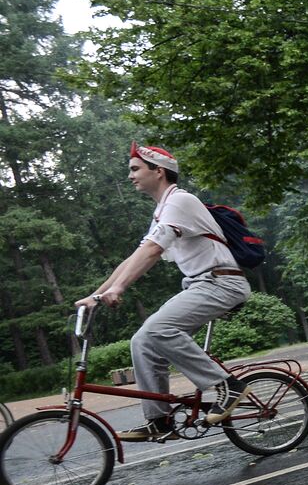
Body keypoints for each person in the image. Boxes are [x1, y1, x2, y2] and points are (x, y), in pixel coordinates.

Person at [76, 143, 252, 440]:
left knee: (159, 329)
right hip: (203, 284)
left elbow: (154, 250)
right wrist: (95, 296)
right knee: (142, 340)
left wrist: (119, 288)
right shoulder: (163, 210)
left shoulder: (180, 202)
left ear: (158, 172)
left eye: (135, 169)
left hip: (222, 282)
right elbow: (135, 256)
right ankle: (159, 420)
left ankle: (228, 386)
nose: (130, 176)